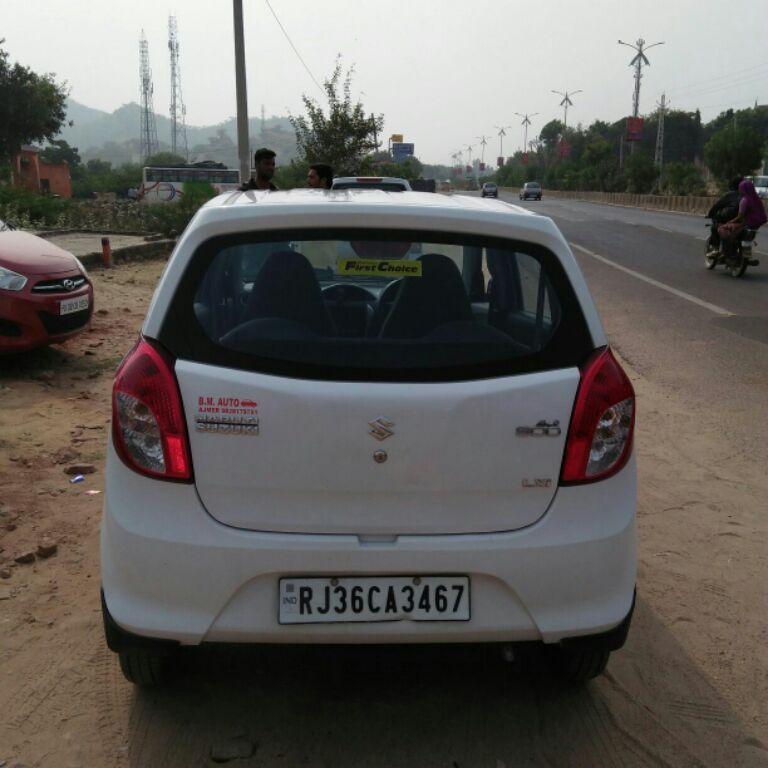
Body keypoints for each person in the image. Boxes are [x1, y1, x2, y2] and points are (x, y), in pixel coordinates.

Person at [719, 179, 768, 262]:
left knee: (721, 229)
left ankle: (726, 253)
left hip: (745, 225)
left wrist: (730, 221)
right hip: (754, 227)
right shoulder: (757, 200)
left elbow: (740, 216)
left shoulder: (744, 200)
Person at [706, 176, 742, 255]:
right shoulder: (748, 195)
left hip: (731, 220)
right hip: (744, 222)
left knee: (714, 227)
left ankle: (715, 249)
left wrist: (710, 214)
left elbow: (717, 206)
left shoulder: (730, 195)